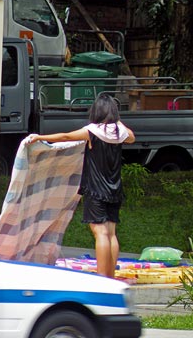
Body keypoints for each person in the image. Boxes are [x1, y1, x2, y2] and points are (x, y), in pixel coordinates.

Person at [27, 94, 135, 278]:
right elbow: (131, 137)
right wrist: (118, 122)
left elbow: (65, 136)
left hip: (96, 189)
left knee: (99, 233)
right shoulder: (120, 132)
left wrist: (39, 137)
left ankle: (102, 277)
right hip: (115, 189)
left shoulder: (93, 131)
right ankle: (110, 276)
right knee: (111, 233)